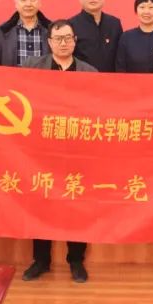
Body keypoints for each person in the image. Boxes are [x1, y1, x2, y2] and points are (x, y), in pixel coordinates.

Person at [21, 20, 96, 283]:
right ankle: (40, 260)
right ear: (49, 42)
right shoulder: (31, 68)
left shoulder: (90, 73)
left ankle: (76, 260)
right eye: (58, 39)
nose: (63, 43)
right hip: (42, 150)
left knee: (77, 204)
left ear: (75, 41)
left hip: (78, 149)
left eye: (67, 38)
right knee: (41, 203)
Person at [0, 0, 52, 66]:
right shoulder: (3, 31)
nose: (28, 4)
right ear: (16, 3)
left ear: (39, 2)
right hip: (11, 75)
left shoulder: (51, 30)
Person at [67, 0, 122, 73]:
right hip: (82, 79)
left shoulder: (114, 23)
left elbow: (120, 57)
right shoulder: (71, 25)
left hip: (111, 80)